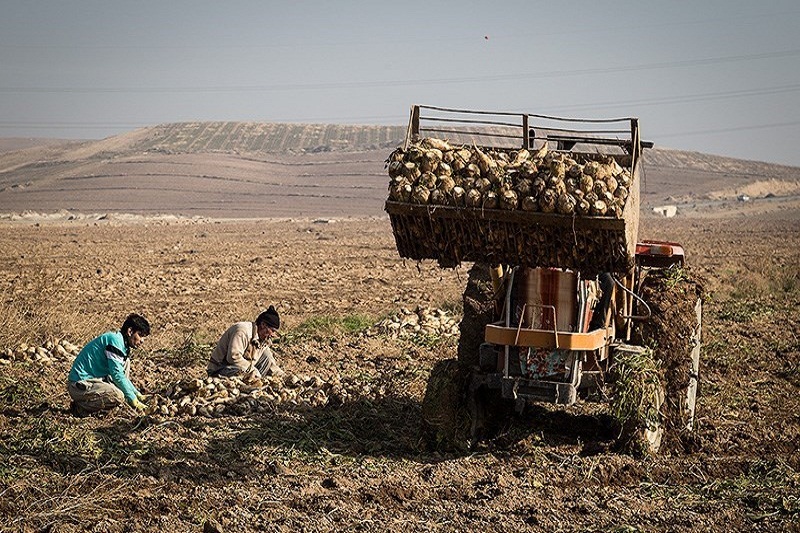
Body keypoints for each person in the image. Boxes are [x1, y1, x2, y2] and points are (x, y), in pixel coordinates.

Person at [67, 313, 151, 416]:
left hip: (96, 381)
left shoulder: (122, 344)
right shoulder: (115, 341)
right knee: (118, 395)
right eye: (140, 335)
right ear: (130, 331)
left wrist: (138, 395)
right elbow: (117, 375)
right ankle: (81, 407)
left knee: (126, 362)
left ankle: (115, 402)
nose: (142, 341)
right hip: (80, 385)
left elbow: (121, 375)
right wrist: (133, 400)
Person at [207, 305, 283, 383]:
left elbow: (270, 362)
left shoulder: (264, 340)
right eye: (272, 331)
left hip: (244, 368)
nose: (273, 335)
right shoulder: (242, 331)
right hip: (221, 369)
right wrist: (252, 370)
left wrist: (282, 376)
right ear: (263, 325)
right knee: (242, 374)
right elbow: (233, 357)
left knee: (266, 355)